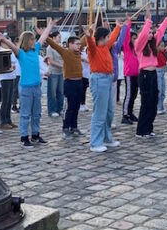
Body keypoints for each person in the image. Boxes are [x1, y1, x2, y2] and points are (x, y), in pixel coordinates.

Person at [0, 22, 54, 147]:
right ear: (27, 41)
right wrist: (3, 39)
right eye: (32, 39)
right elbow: (12, 47)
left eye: (34, 39)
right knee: (25, 114)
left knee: (37, 113)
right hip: (26, 87)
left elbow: (43, 38)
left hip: (37, 86)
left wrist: (50, 25)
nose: (34, 41)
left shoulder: (35, 50)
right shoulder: (21, 53)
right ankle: (24, 137)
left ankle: (35, 135)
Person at [84, 20, 123, 152]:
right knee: (99, 113)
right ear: (101, 38)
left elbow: (112, 37)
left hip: (107, 79)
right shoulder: (93, 49)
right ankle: (95, 142)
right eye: (106, 36)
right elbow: (90, 44)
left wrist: (118, 26)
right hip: (99, 79)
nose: (109, 38)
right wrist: (89, 36)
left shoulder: (106, 47)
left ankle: (107, 138)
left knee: (109, 111)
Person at [134, 4, 167, 138]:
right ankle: (141, 130)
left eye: (151, 32)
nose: (150, 34)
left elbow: (160, 31)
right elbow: (144, 34)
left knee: (154, 101)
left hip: (153, 74)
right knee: (146, 102)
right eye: (149, 32)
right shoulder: (139, 44)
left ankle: (149, 128)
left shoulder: (153, 44)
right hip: (144, 75)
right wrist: (148, 21)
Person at [46, 33, 85, 137]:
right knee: (69, 107)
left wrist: (89, 32)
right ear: (70, 44)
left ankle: (74, 127)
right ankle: (65, 128)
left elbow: (85, 40)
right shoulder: (66, 52)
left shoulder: (79, 53)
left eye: (79, 44)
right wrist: (45, 36)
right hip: (70, 83)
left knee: (76, 106)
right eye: (76, 44)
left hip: (79, 82)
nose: (79, 46)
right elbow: (54, 46)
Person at [121, 20, 140, 124]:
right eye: (134, 38)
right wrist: (128, 24)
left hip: (136, 74)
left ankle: (130, 112)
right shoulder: (128, 47)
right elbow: (126, 37)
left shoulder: (137, 49)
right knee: (129, 94)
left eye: (136, 38)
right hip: (129, 74)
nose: (135, 40)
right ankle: (125, 115)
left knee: (134, 94)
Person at [45, 31, 64, 118]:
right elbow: (51, 61)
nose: (60, 39)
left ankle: (60, 109)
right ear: (53, 38)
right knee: (52, 93)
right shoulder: (50, 48)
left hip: (61, 72)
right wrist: (61, 65)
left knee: (61, 92)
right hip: (53, 72)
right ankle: (52, 110)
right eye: (58, 37)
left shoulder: (61, 47)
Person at [0, 53, 18, 130]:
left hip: (11, 76)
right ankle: (3, 121)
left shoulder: (10, 52)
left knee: (9, 100)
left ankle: (8, 119)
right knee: (5, 100)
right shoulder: (1, 52)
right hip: (4, 77)